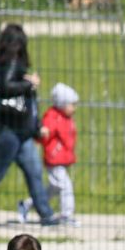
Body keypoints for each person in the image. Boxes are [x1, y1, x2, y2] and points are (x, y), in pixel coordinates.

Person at [0, 24, 57, 228]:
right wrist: (29, 83)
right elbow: (6, 87)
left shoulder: (8, 63)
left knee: (33, 171)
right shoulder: (11, 63)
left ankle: (47, 215)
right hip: (7, 130)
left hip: (20, 129)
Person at [19, 83, 78, 226]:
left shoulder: (66, 118)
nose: (74, 108)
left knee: (53, 188)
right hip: (54, 158)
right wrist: (43, 134)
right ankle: (66, 215)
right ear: (62, 103)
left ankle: (28, 204)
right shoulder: (53, 117)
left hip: (62, 158)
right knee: (65, 186)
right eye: (71, 104)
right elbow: (43, 134)